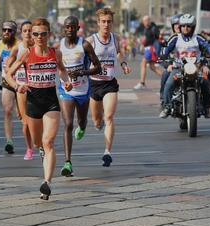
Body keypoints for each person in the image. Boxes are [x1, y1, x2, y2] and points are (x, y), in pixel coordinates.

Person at [5, 17, 73, 200]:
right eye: (35, 34)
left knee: (49, 141)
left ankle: (47, 182)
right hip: (33, 101)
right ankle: (40, 150)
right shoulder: (26, 54)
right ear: (32, 36)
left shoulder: (55, 53)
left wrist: (66, 82)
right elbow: (9, 73)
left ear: (49, 34)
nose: (39, 37)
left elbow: (62, 70)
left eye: (43, 33)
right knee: (37, 143)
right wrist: (18, 86)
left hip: (51, 102)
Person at [52, 16, 102, 176]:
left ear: (78, 28)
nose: (69, 30)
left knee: (81, 121)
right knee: (67, 124)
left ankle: (83, 125)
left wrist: (82, 72)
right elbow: (47, 57)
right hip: (66, 90)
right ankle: (67, 163)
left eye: (73, 27)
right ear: (64, 28)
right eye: (67, 27)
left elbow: (98, 67)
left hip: (83, 90)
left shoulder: (84, 45)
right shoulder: (58, 46)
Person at [86, 6, 131, 167]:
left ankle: (107, 152)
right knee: (97, 120)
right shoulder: (91, 41)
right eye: (103, 22)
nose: (106, 24)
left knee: (109, 117)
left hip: (110, 83)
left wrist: (123, 64)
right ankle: (99, 124)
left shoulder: (116, 38)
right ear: (98, 22)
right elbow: (83, 59)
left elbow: (118, 52)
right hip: (94, 83)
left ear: (112, 23)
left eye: (109, 22)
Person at [160, 14, 210, 119]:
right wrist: (164, 55)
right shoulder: (176, 37)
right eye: (183, 26)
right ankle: (167, 106)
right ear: (180, 26)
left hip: (196, 68)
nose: (186, 28)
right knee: (169, 84)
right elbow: (166, 47)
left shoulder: (198, 37)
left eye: (188, 26)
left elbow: (208, 46)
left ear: (193, 27)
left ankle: (207, 107)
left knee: (206, 82)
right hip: (179, 68)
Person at [0, 21, 20, 154]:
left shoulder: (19, 45)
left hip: (20, 80)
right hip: (6, 80)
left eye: (10, 30)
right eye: (4, 30)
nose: (6, 32)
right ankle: (9, 141)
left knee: (22, 115)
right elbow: (0, 55)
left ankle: (32, 142)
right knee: (8, 111)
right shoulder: (0, 43)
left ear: (14, 32)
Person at [5, 20, 34, 160]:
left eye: (30, 30)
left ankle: (40, 144)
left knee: (38, 120)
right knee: (25, 123)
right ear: (21, 33)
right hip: (21, 87)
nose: (28, 33)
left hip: (37, 88)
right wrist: (7, 68)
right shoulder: (17, 48)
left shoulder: (39, 47)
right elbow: (9, 66)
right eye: (25, 31)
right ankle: (29, 148)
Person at [159, 14, 182, 109]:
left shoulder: (192, 38)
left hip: (190, 67)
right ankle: (164, 100)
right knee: (165, 75)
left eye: (179, 24)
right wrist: (168, 65)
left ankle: (205, 104)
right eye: (175, 24)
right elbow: (163, 53)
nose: (177, 26)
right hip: (174, 66)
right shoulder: (172, 38)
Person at [134, 15, 162, 90]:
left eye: (146, 21)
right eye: (143, 21)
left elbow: (158, 38)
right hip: (148, 48)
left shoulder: (154, 28)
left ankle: (142, 83)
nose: (144, 22)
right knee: (152, 67)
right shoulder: (147, 29)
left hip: (151, 49)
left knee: (142, 64)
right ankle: (165, 79)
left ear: (150, 20)